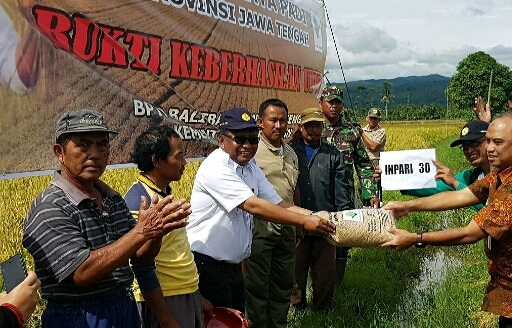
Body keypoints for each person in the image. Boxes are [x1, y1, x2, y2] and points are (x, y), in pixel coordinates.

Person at [383, 112, 512, 328]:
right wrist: (406, 206)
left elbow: (471, 233)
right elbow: (462, 195)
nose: (490, 148)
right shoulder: (507, 169)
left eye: (498, 142)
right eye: (489, 141)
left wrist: (415, 238)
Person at [22, 109, 191, 328]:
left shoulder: (111, 199)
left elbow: (140, 257)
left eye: (102, 145)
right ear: (60, 152)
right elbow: (82, 272)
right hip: (78, 317)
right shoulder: (50, 206)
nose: (94, 154)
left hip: (122, 308)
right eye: (83, 145)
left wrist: (155, 234)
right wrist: (141, 232)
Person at [186, 107, 335, 313]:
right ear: (222, 140)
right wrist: (303, 222)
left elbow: (277, 202)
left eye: (253, 139)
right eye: (240, 139)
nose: (247, 145)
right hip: (208, 267)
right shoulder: (216, 168)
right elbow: (254, 205)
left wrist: (315, 216)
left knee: (235, 319)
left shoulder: (250, 166)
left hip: (233, 266)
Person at [124, 126, 212, 328]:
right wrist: (165, 318)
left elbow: (175, 252)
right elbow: (141, 265)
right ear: (157, 161)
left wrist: (195, 295)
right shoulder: (140, 202)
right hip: (165, 298)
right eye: (179, 156)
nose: (184, 163)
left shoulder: (163, 196)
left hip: (183, 293)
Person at [289, 108, 352, 312]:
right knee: (296, 271)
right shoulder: (290, 152)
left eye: (318, 126)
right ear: (301, 127)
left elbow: (342, 189)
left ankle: (323, 311)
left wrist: (343, 218)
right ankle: (298, 310)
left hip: (326, 223)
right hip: (297, 222)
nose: (314, 130)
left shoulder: (332, 153)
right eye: (309, 126)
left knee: (325, 272)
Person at [244, 99, 299, 328]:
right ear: (260, 122)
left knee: (283, 285)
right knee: (257, 288)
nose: (278, 125)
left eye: (283, 120)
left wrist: (299, 227)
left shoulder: (291, 153)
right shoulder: (252, 153)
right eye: (273, 120)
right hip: (261, 228)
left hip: (288, 227)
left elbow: (295, 190)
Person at [319, 85, 379, 286]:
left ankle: (337, 286)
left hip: (344, 194)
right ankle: (315, 284)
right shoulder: (313, 129)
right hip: (317, 193)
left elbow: (364, 166)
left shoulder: (351, 131)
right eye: (330, 102)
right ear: (321, 103)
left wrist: (371, 193)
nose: (333, 106)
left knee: (343, 236)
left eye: (337, 102)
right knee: (317, 236)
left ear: (342, 105)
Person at [401, 120, 490, 212]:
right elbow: (435, 188)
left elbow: (487, 208)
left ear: (490, 142)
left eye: (475, 143)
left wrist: (455, 183)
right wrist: (400, 181)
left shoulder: (501, 173)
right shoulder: (471, 175)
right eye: (465, 147)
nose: (469, 150)